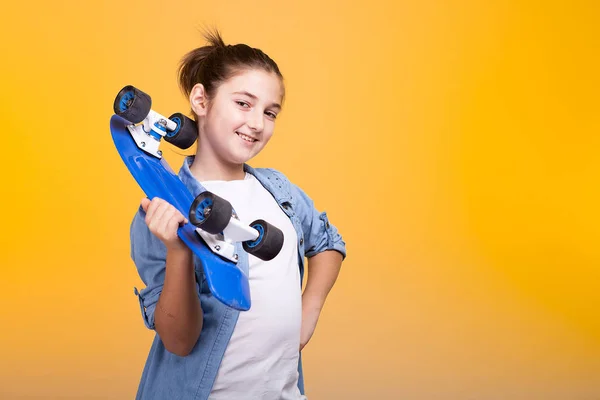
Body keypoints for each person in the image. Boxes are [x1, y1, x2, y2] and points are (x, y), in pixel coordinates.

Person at [129, 29, 347, 400]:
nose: (258, 123)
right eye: (243, 104)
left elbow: (329, 242)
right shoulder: (161, 210)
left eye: (270, 112)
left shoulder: (279, 192)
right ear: (201, 99)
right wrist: (178, 249)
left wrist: (308, 312)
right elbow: (180, 341)